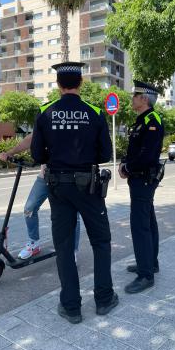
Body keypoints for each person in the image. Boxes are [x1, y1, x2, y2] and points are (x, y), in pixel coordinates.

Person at [31, 61, 118, 324]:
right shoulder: (94, 112)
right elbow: (105, 153)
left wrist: (56, 157)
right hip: (88, 187)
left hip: (58, 187)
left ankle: (71, 307)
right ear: (80, 83)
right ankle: (103, 299)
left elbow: (36, 154)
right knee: (101, 242)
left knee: (65, 246)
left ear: (58, 85)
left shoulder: (45, 112)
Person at [0, 128, 80, 260]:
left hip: (68, 178)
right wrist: (10, 153)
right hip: (45, 176)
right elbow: (29, 140)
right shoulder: (48, 119)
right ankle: (34, 243)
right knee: (29, 208)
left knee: (72, 215)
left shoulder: (72, 120)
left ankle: (72, 250)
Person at [119, 80, 164, 294]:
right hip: (139, 179)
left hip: (144, 179)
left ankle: (145, 275)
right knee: (148, 221)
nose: (132, 98)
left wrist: (127, 167)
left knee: (140, 226)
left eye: (134, 95)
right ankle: (150, 263)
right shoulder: (141, 120)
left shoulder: (152, 120)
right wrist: (124, 163)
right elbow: (134, 150)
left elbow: (147, 156)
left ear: (144, 98)